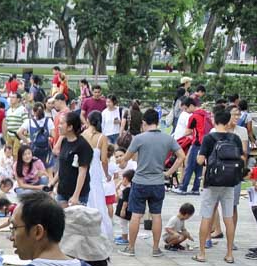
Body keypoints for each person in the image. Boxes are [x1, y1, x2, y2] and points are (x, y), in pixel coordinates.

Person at [118, 109, 184, 256]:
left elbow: (126, 158)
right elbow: (181, 156)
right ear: (157, 121)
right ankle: (155, 248)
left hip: (140, 181)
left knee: (136, 215)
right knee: (156, 215)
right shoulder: (168, 138)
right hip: (158, 182)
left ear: (144, 122)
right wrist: (169, 172)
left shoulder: (139, 139)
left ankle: (131, 248)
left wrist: (121, 161)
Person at [193, 108, 245, 263]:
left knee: (206, 216)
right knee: (228, 217)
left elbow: (201, 160)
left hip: (212, 181)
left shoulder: (209, 138)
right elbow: (241, 158)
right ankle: (229, 253)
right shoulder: (234, 138)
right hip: (230, 182)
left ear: (214, 120)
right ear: (228, 120)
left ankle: (202, 253)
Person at [51, 111, 92, 208]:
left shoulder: (83, 146)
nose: (58, 126)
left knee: (75, 222)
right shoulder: (64, 141)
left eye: (61, 123)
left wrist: (76, 196)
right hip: (62, 191)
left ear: (70, 127)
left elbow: (82, 172)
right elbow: (63, 166)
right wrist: (52, 183)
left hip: (77, 194)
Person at [83, 111, 113, 239]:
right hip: (95, 171)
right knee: (98, 199)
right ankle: (100, 230)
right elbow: (104, 160)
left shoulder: (82, 135)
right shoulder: (102, 138)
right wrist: (107, 175)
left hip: (83, 170)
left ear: (88, 120)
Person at [174, 98, 211, 195]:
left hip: (197, 143)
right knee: (199, 166)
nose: (186, 111)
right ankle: (195, 188)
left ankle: (183, 187)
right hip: (206, 143)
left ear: (191, 105)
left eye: (186, 109)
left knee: (189, 165)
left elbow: (188, 131)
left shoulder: (193, 116)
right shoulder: (205, 114)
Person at [6, 94, 28, 159]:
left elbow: (26, 121)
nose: (11, 99)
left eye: (13, 97)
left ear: (18, 99)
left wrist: (24, 133)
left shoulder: (23, 109)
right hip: (9, 134)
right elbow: (7, 122)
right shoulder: (9, 110)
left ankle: (16, 167)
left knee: (16, 153)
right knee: (9, 153)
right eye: (10, 97)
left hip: (17, 135)